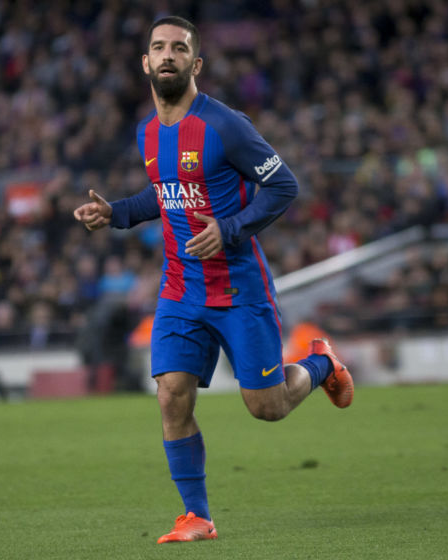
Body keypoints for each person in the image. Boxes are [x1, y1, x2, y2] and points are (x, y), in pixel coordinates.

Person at [73, 16, 354, 544]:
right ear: (145, 62)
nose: (168, 55)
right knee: (170, 394)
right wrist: (115, 213)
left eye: (179, 48)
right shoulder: (147, 132)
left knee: (266, 406)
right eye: (159, 47)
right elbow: (164, 194)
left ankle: (321, 364)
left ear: (195, 63)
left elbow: (284, 186)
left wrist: (229, 229)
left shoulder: (226, 126)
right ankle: (196, 516)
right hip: (180, 290)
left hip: (238, 289)